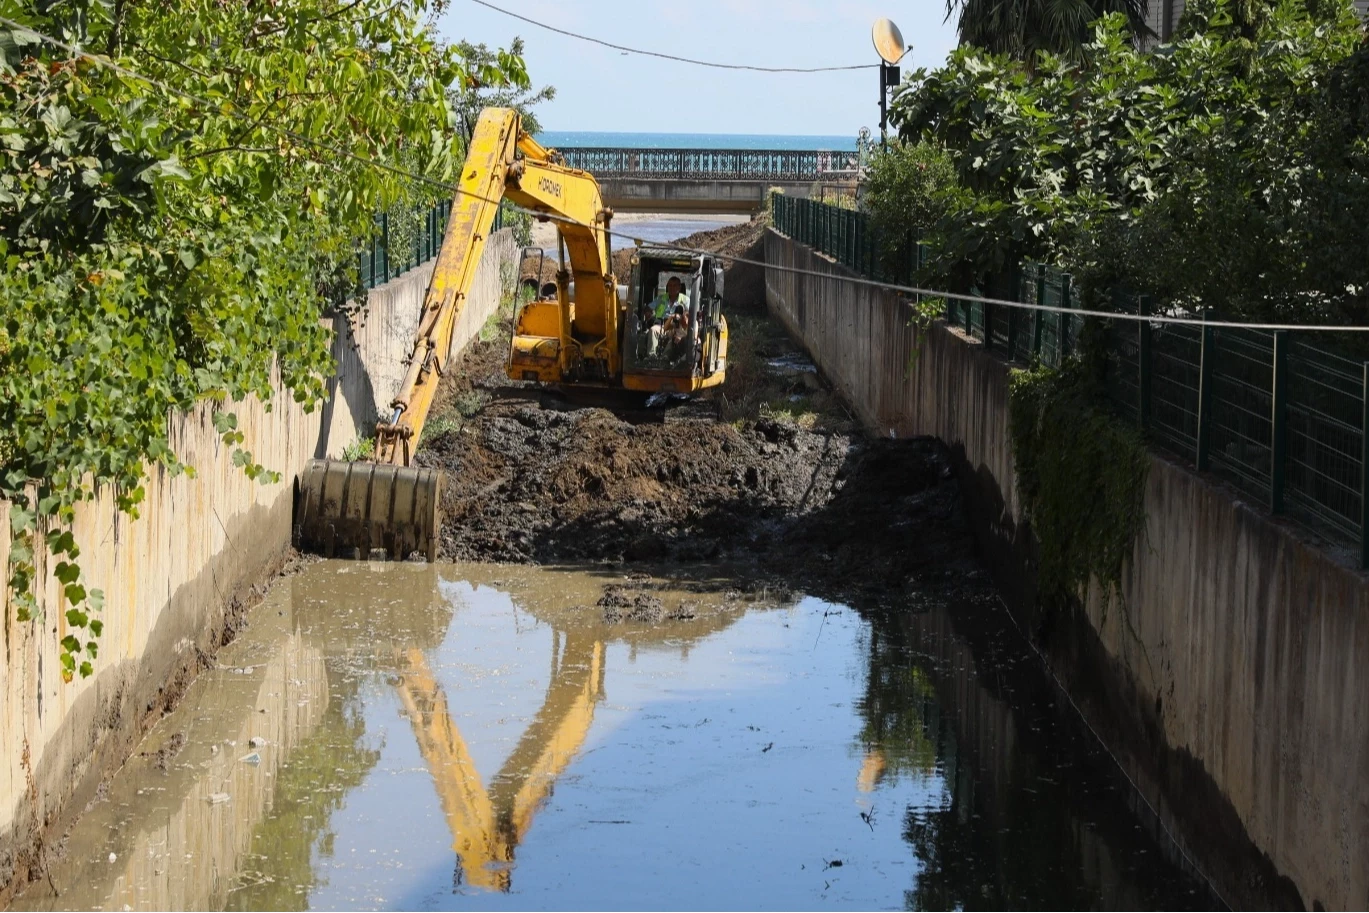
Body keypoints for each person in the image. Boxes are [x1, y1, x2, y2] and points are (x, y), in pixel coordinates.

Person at [648, 276, 687, 356]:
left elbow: (689, 316)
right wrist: (648, 313)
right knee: (653, 330)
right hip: (662, 325)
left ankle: (665, 359)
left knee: (676, 336)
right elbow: (648, 308)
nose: (672, 288)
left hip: (676, 327)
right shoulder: (660, 298)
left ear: (679, 287)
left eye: (674, 285)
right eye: (670, 285)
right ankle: (651, 357)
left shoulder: (686, 300)